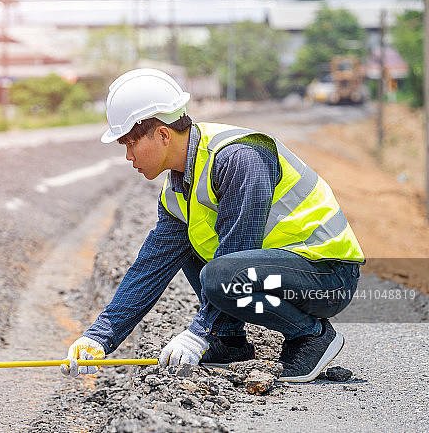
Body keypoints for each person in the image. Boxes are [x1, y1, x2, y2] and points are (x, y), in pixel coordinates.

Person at [60, 68, 364, 383]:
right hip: (284, 273)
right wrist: (98, 338)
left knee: (221, 274)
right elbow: (150, 267)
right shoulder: (179, 190)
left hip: (328, 277)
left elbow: (238, 251)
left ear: (163, 135)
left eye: (130, 144)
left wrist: (199, 332)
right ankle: (229, 341)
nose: (127, 156)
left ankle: (310, 336)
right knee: (194, 248)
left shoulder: (239, 158)